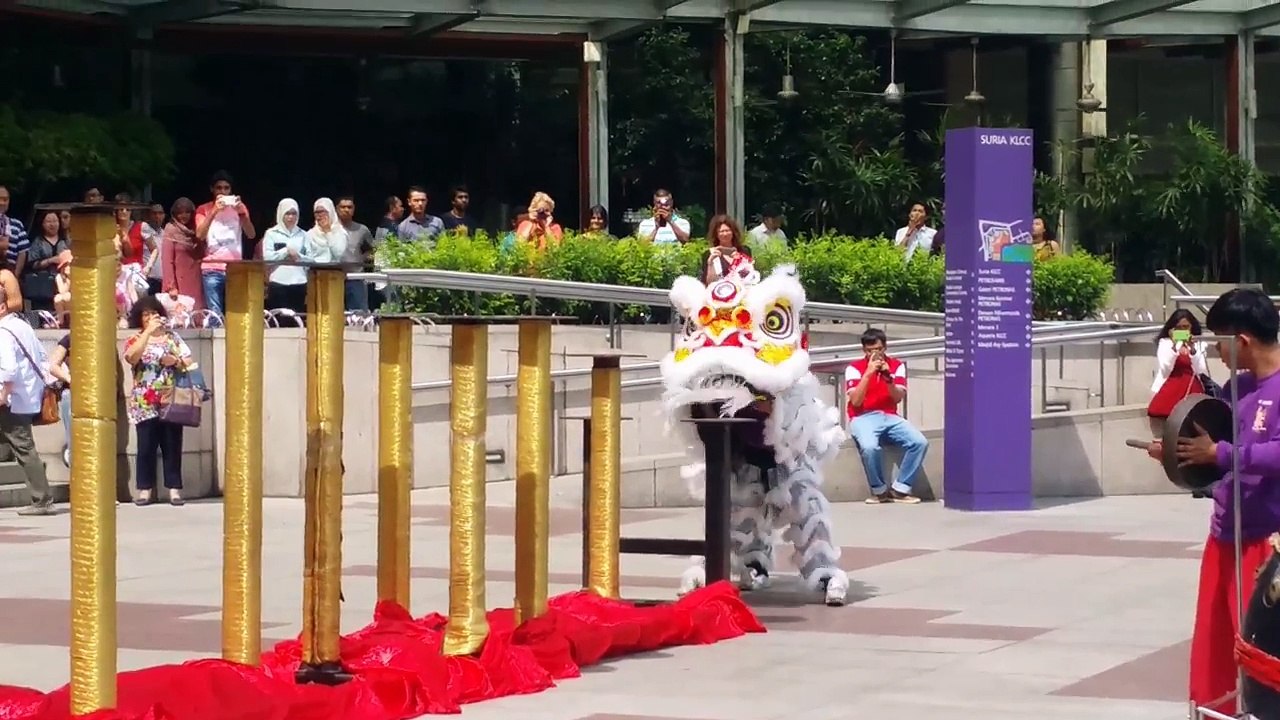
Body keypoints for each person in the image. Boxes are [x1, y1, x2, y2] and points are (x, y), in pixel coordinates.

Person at [1144, 288, 1280, 716]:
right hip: (1224, 536)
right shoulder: (1233, 388)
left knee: (1260, 648)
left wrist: (1219, 454)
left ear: (1242, 341)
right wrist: (1175, 450)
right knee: (1214, 648)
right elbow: (1209, 441)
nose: (1215, 351)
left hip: (1267, 546)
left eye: (1218, 341)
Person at [123, 295, 193, 506]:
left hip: (170, 397)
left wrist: (176, 360)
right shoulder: (136, 338)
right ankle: (145, 489)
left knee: (172, 444)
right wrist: (147, 334)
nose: (152, 317)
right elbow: (131, 357)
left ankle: (174, 489)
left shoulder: (173, 338)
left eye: (154, 313)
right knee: (146, 446)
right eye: (146, 314)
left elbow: (189, 361)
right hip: (144, 400)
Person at [845, 328, 928, 504]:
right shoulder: (854, 369)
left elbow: (898, 397)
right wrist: (868, 373)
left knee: (919, 442)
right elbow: (856, 401)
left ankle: (901, 489)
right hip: (863, 417)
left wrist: (887, 377)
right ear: (864, 350)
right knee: (869, 447)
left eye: (878, 350)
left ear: (885, 348)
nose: (874, 354)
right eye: (869, 351)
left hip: (889, 416)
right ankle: (879, 491)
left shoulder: (897, 366)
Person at [0, 285, 54, 516]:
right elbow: (43, 358)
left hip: (12, 399)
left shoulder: (3, 331)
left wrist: (3, 395)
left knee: (24, 447)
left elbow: (8, 369)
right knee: (19, 445)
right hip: (27, 396)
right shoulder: (22, 325)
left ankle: (42, 499)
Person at [195, 170, 256, 318]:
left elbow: (251, 234)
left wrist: (242, 214)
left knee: (236, 313)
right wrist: (214, 211)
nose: (222, 191)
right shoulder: (203, 209)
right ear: (212, 189)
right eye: (219, 188)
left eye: (226, 188)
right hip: (212, 266)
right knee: (215, 315)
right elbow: (200, 235)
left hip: (234, 266)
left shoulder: (239, 207)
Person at [1148, 309, 1211, 438]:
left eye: (1186, 327)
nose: (1183, 331)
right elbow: (1166, 368)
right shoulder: (1166, 343)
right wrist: (1175, 346)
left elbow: (1200, 370)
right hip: (1170, 390)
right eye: (1179, 328)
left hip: (1191, 390)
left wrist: (1193, 350)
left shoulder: (1199, 344)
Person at [261, 199, 311, 315]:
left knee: (296, 318)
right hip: (278, 282)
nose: (291, 217)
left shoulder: (304, 234)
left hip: (299, 282)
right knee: (279, 318)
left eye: (294, 213)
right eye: (287, 213)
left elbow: (310, 260)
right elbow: (267, 258)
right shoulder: (271, 233)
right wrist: (285, 252)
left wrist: (297, 256)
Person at [162, 198, 205, 313]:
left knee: (196, 313)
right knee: (179, 315)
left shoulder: (197, 230)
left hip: (196, 278)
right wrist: (171, 286)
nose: (184, 215)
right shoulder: (171, 229)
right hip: (179, 281)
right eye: (180, 212)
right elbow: (167, 260)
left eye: (187, 212)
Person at [335, 196, 373, 311]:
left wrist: (362, 258)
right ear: (337, 209)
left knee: (359, 313)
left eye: (349, 207)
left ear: (354, 209)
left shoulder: (362, 229)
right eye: (343, 207)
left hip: (356, 277)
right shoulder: (330, 228)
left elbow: (374, 249)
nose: (346, 210)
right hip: (335, 276)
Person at [699, 215, 753, 285]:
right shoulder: (710, 254)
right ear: (716, 234)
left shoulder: (744, 251)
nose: (725, 234)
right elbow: (709, 283)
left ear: (733, 232)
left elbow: (751, 274)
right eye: (721, 231)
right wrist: (710, 263)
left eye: (727, 231)